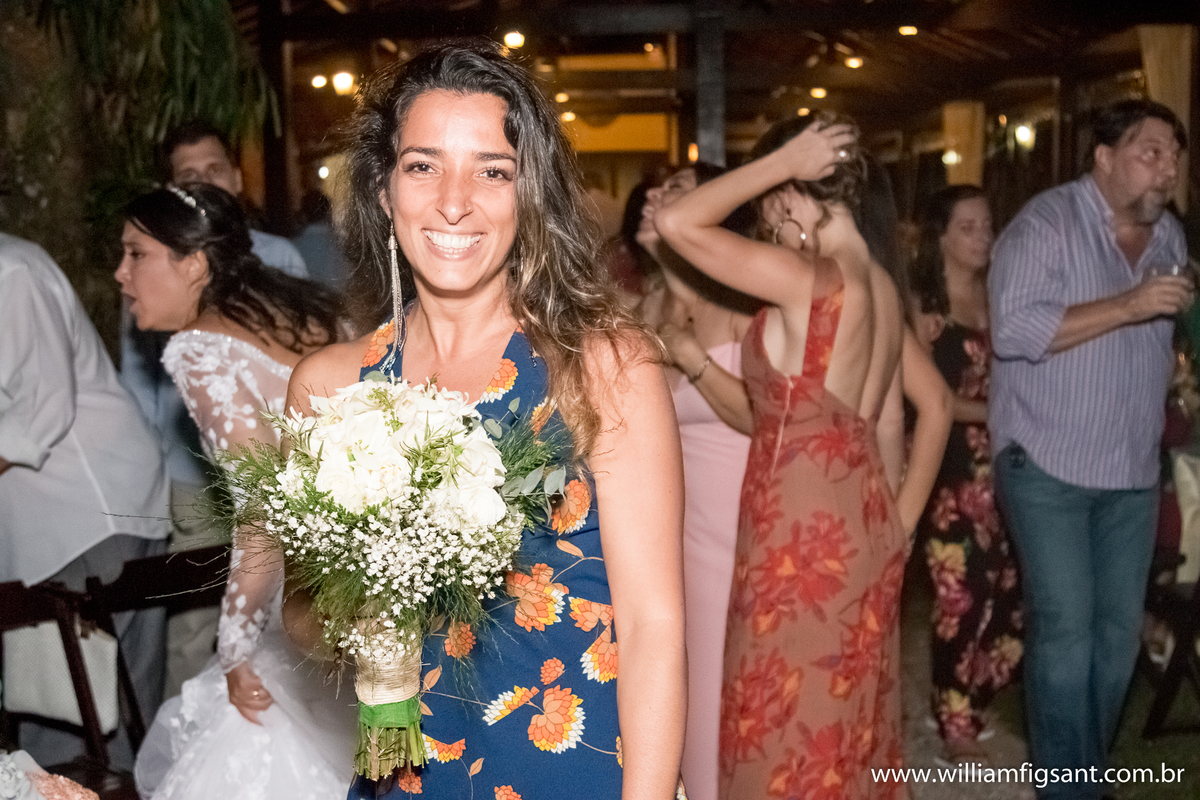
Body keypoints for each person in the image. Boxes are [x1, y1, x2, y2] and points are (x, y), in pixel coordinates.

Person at [281, 41, 687, 799]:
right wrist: (364, 593)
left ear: (526, 194)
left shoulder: (600, 368)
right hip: (409, 767)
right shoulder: (327, 387)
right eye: (424, 165)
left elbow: (655, 625)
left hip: (570, 760)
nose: (454, 201)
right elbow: (300, 619)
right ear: (382, 188)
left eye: (492, 171)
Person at [657, 113, 951, 800]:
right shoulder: (877, 283)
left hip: (798, 534)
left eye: (769, 206)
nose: (765, 224)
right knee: (842, 725)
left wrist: (781, 158)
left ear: (788, 192)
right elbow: (887, 423)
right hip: (860, 519)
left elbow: (678, 225)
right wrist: (898, 526)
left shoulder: (811, 279)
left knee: (786, 730)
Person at [114, 183, 356, 799]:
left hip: (307, 593)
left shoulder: (201, 352)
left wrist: (237, 644)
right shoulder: (311, 311)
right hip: (368, 575)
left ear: (193, 262)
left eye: (137, 254)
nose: (121, 275)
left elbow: (263, 510)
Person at [988, 99, 1189, 799]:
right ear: (1103, 158)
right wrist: (1130, 306)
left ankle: (1079, 774)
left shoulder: (1169, 239)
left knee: (1117, 640)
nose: (1167, 168)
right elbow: (1014, 331)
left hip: (1130, 468)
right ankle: (1071, 789)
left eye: (1173, 155)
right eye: (1150, 151)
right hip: (1047, 461)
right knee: (1068, 633)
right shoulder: (1043, 225)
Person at [0, 231, 171, 770]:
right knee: (67, 700)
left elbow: (42, 409)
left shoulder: (11, 271)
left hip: (87, 507)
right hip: (50, 518)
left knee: (93, 710)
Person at [635, 163, 755, 800]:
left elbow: (768, 417)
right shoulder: (643, 307)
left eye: (677, 190)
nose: (656, 194)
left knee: (711, 711)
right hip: (661, 537)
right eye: (658, 188)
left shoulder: (743, 308)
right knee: (660, 705)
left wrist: (691, 358)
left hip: (729, 537)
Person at [910, 185, 1023, 764]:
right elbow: (936, 402)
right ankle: (952, 720)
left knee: (1012, 593)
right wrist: (1009, 413)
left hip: (1013, 465)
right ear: (942, 238)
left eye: (988, 225)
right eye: (969, 227)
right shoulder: (922, 309)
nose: (984, 237)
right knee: (961, 594)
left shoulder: (1004, 297)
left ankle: (977, 696)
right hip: (951, 470)